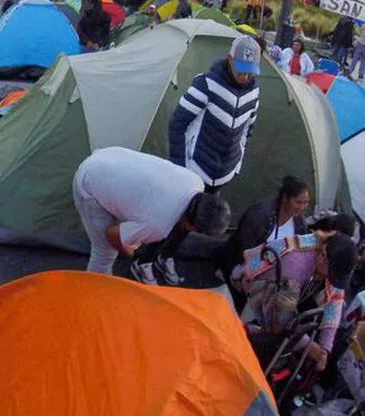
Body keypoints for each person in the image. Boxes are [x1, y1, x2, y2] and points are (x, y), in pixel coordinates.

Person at [73, 147, 230, 281]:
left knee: (132, 225)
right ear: (191, 227)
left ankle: (236, 276)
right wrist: (131, 254)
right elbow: (112, 236)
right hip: (90, 179)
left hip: (111, 155)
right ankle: (95, 295)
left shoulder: (195, 181)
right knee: (105, 252)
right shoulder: (159, 226)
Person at [232, 229, 358, 372]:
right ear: (323, 258)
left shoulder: (331, 255)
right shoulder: (295, 264)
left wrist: (324, 348)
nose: (331, 279)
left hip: (286, 296)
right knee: (249, 343)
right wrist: (309, 346)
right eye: (332, 274)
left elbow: (334, 303)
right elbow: (281, 320)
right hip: (255, 290)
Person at [169, 36, 261, 193]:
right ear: (230, 59)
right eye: (241, 70)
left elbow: (247, 131)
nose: (245, 76)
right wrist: (180, 167)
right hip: (194, 170)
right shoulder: (205, 84)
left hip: (224, 176)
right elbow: (177, 124)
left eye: (249, 72)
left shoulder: (254, 93)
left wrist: (236, 165)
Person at [221, 176, 312, 300]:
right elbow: (243, 251)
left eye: (306, 203)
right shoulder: (259, 215)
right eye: (298, 202)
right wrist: (254, 273)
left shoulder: (299, 223)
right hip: (245, 267)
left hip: (273, 274)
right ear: (285, 198)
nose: (302, 207)